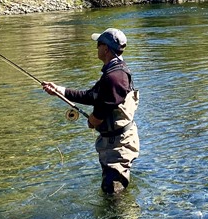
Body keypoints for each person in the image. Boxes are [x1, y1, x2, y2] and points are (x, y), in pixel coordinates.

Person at [42, 28, 140, 194]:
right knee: (113, 189)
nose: (96, 47)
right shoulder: (114, 71)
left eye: (99, 44)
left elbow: (101, 110)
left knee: (113, 193)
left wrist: (93, 120)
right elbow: (92, 96)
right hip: (115, 141)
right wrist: (59, 90)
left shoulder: (115, 77)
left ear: (106, 49)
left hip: (118, 145)